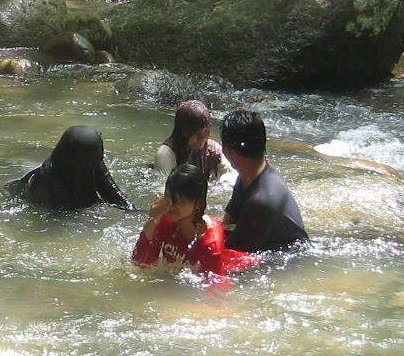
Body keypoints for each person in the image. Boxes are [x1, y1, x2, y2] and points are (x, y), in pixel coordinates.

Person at [131, 163, 259, 278]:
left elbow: (215, 289)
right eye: (168, 197)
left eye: (180, 201)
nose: (170, 206)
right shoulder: (164, 218)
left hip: (244, 271)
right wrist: (152, 219)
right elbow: (141, 263)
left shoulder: (210, 241)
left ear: (197, 204)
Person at [219, 109, 308, 252]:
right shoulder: (248, 177)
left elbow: (232, 250)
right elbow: (228, 223)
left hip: (288, 263)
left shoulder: (261, 200)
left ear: (228, 151)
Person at [9, 124, 135, 210]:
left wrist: (137, 213)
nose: (102, 156)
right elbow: (60, 217)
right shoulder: (46, 181)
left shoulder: (91, 161)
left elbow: (113, 195)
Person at [155, 100, 225, 181]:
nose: (204, 140)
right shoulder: (165, 154)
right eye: (199, 136)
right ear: (184, 133)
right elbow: (162, 190)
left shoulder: (213, 150)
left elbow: (230, 178)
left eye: (207, 134)